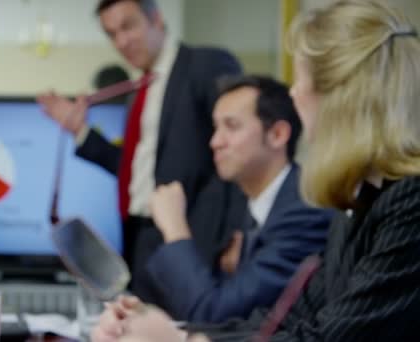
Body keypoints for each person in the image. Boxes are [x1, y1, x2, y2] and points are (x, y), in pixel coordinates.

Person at [91, 0, 420, 341]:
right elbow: (287, 321)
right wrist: (169, 329)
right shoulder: (357, 200)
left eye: (301, 80)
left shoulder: (407, 201)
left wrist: (179, 340)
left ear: (340, 97)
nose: (295, 93)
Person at [37, 0, 242, 303]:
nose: (121, 41)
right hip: (140, 241)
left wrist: (240, 233)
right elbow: (136, 172)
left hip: (194, 240)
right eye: (111, 34)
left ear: (156, 20)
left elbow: (242, 151)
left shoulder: (204, 65)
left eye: (128, 26)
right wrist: (80, 132)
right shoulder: (140, 91)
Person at [144, 75, 331, 324]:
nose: (215, 142)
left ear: (277, 134)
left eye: (231, 126)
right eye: (215, 127)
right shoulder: (250, 203)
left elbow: (213, 313)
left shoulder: (305, 210)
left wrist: (175, 229)